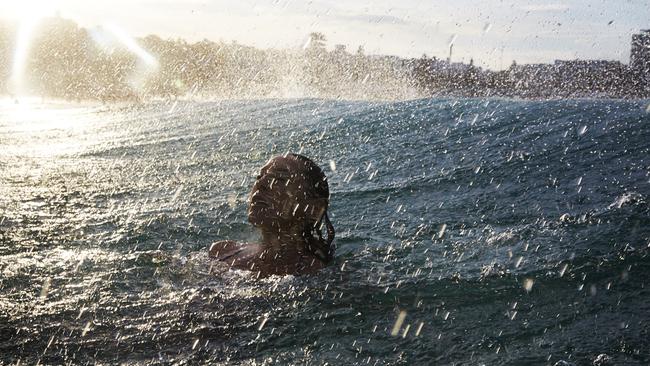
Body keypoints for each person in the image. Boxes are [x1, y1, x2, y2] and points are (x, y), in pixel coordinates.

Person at [209, 153, 335, 277]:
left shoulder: (315, 273)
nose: (261, 184)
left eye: (280, 178)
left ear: (313, 208)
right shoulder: (221, 251)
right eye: (260, 176)